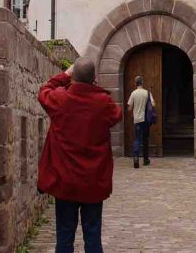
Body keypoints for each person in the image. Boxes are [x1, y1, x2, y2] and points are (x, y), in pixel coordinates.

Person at [37, 57, 123, 253]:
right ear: (94, 78)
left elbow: (44, 91)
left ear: (72, 77)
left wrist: (64, 76)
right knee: (93, 237)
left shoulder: (60, 99)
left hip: (65, 181)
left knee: (65, 237)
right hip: (93, 182)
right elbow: (116, 114)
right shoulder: (103, 103)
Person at [126, 75, 155, 168]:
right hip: (146, 119)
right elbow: (153, 104)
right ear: (142, 83)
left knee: (137, 138)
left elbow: (129, 108)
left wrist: (133, 111)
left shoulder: (133, 93)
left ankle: (136, 158)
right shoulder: (147, 92)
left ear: (135, 83)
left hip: (137, 119)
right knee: (145, 139)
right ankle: (146, 159)